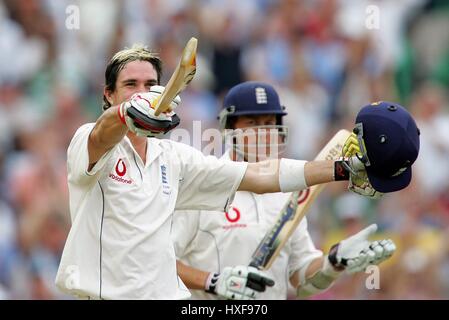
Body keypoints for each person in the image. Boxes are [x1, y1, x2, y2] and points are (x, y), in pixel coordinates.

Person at [55, 43, 418, 300]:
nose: (142, 93)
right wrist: (213, 282)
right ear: (108, 95)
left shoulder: (175, 158)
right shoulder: (88, 139)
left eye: (150, 86)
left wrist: (342, 170)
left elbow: (261, 177)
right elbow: (103, 133)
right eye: (130, 86)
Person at [171, 82, 398, 300]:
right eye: (252, 122)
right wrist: (214, 281)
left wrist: (334, 261)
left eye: (269, 123)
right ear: (229, 129)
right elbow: (162, 263)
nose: (263, 132)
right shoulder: (205, 185)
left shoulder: (287, 193)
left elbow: (301, 279)